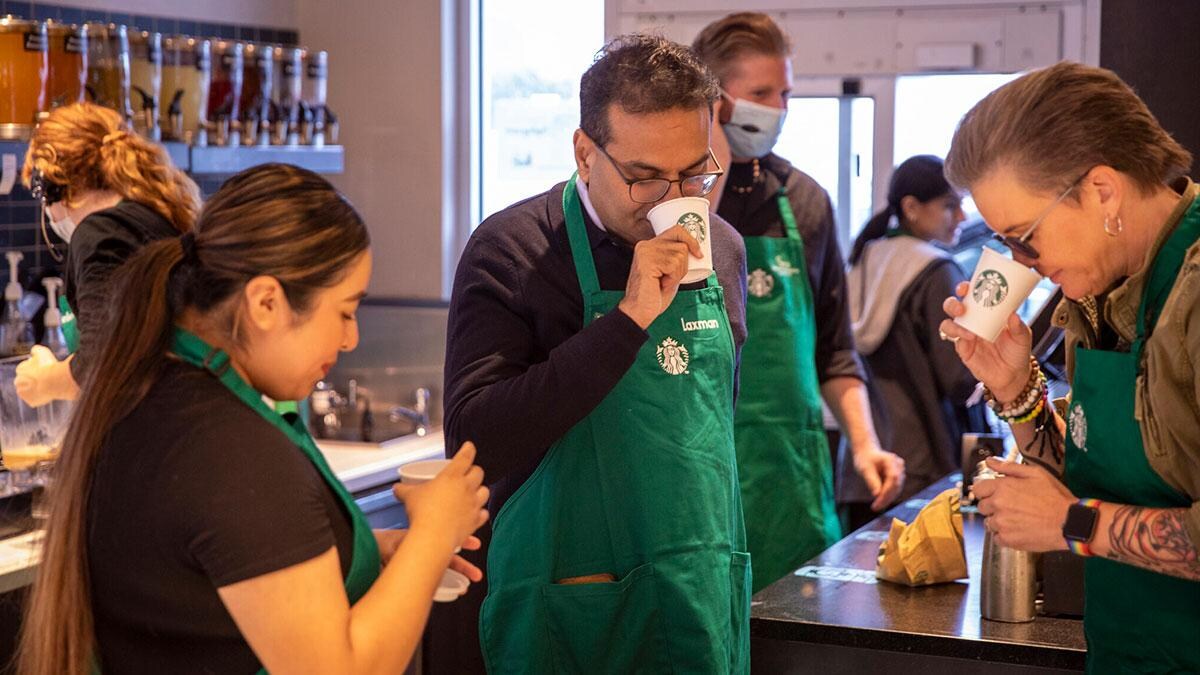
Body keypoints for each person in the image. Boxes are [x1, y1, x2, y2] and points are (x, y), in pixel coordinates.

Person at [17, 164, 489, 675]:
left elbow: (225, 566)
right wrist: (431, 533)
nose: (351, 339)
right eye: (345, 312)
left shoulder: (164, 396)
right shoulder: (228, 451)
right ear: (266, 302)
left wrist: (375, 552)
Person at [444, 35, 751, 673]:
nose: (674, 200)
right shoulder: (512, 251)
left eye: (694, 172)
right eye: (644, 178)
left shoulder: (721, 248)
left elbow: (712, 425)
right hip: (571, 607)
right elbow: (473, 444)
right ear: (585, 153)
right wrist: (628, 320)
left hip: (699, 590)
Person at [938, 62, 1200, 673]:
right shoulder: (1098, 294)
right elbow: (1097, 483)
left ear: (1101, 190)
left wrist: (1073, 524)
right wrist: (1015, 387)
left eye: (1025, 237)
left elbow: (1078, 513)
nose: (1021, 263)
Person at [692, 12, 904, 591]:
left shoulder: (805, 200)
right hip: (700, 473)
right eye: (761, 93)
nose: (778, 108)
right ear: (713, 100)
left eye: (785, 92)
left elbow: (834, 349)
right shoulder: (676, 202)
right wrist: (707, 176)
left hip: (792, 476)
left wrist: (865, 446)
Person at [16, 102, 200, 406]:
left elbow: (104, 364)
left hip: (162, 423)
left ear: (48, 183)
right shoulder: (156, 215)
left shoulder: (100, 234)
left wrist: (44, 382)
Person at [843, 155, 981, 523]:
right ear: (911, 208)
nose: (962, 218)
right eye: (950, 206)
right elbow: (959, 375)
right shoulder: (936, 270)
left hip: (860, 464)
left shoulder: (861, 260)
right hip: (922, 464)